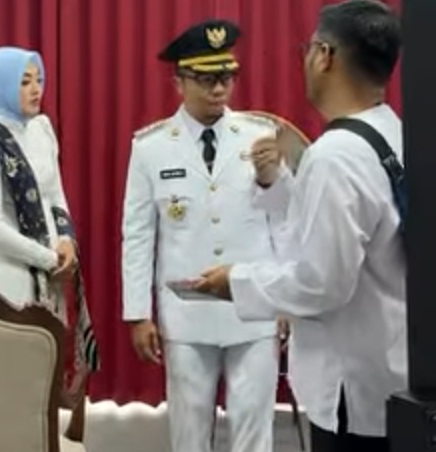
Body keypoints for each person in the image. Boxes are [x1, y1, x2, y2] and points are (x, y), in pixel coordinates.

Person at [194, 2, 404, 451]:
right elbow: (330, 232)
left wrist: (237, 282)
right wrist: (276, 183)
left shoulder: (335, 155)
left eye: (307, 49)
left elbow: (322, 282)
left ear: (324, 55)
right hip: (394, 366)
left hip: (354, 386)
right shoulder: (393, 133)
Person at [121, 20, 290, 452]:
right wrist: (138, 313)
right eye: (206, 79)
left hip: (253, 306)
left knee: (254, 434)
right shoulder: (151, 146)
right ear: (178, 82)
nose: (219, 89)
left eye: (227, 78)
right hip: (187, 311)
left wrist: (285, 297)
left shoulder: (259, 135)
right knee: (189, 434)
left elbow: (282, 220)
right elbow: (137, 234)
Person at [0, 46, 99, 389]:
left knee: (44, 380)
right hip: (6, 276)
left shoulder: (41, 128)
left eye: (39, 80)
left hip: (50, 274)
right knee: (7, 383)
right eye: (24, 82)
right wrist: (48, 258)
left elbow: (55, 194)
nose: (36, 89)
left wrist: (66, 241)